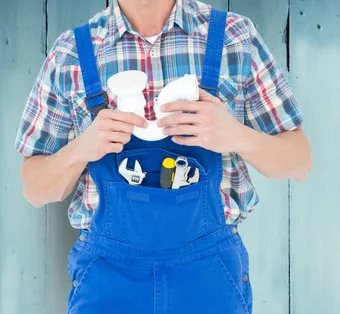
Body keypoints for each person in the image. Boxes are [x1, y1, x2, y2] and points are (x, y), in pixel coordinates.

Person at [13, 0, 312, 313]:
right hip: (109, 282)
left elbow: (299, 160)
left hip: (208, 280)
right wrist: (82, 148)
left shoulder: (233, 38)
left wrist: (236, 135)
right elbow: (35, 188)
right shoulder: (72, 53)